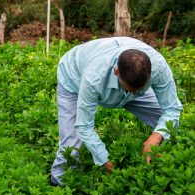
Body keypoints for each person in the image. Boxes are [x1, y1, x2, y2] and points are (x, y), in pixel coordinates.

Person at [51, 37, 183, 186]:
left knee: (170, 126)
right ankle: (59, 184)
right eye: (129, 90)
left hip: (128, 78)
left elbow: (171, 109)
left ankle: (163, 165)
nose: (133, 94)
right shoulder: (94, 78)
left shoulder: (158, 67)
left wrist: (156, 137)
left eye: (139, 90)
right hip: (73, 79)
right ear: (116, 72)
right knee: (72, 146)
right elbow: (84, 126)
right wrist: (105, 161)